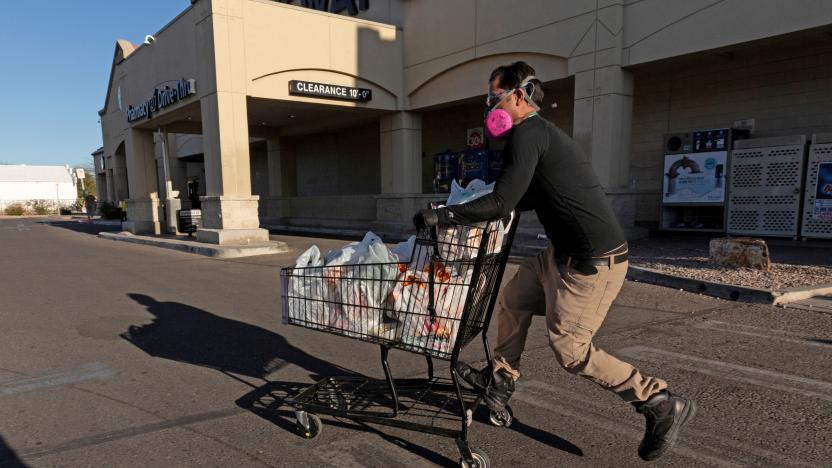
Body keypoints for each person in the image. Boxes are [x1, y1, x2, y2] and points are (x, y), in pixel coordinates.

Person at [413, 61, 695, 461]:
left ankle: (659, 402)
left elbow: (502, 201)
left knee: (572, 351)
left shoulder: (529, 134)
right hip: (558, 254)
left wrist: (444, 215)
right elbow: (528, 195)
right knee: (514, 298)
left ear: (517, 96)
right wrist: (471, 206)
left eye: (494, 97)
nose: (489, 106)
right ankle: (499, 381)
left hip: (592, 262)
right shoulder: (535, 135)